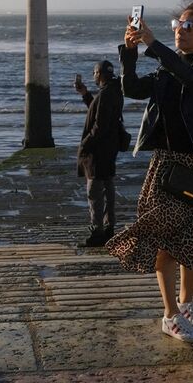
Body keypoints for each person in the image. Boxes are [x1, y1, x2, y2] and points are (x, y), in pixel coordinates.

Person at [106, 0, 193, 344]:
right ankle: (170, 315)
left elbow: (190, 76)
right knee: (166, 239)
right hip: (167, 165)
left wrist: (153, 44)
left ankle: (187, 305)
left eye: (189, 25)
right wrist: (130, 52)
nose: (180, 29)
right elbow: (130, 89)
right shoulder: (164, 69)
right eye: (178, 23)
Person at [75, 60, 124, 247]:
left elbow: (99, 124)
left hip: (99, 149)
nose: (94, 76)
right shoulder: (114, 91)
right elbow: (100, 112)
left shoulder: (106, 94)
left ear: (100, 74)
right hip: (109, 147)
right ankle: (108, 228)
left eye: (95, 73)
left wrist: (85, 144)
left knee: (95, 191)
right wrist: (86, 95)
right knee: (107, 185)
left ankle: (98, 232)